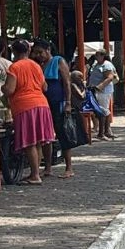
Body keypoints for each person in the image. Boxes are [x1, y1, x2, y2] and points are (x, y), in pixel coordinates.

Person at [2, 40, 54, 185]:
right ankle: (35, 172)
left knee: (30, 141)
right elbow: (45, 87)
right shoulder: (36, 66)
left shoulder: (14, 67)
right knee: (38, 141)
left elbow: (10, 89)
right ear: (29, 51)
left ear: (14, 51)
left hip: (25, 106)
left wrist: (3, 89)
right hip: (42, 104)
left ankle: (35, 175)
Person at [32, 39, 74, 178]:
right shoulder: (39, 65)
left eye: (40, 52)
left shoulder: (58, 61)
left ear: (48, 50)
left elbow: (67, 83)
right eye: (36, 53)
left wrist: (68, 102)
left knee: (62, 133)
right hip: (44, 104)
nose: (39, 55)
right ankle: (48, 167)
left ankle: (69, 167)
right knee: (46, 136)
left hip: (59, 102)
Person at [88, 48, 117, 140]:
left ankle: (102, 132)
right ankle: (107, 131)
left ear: (102, 56)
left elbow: (109, 77)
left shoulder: (107, 65)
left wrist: (99, 87)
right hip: (96, 90)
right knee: (103, 110)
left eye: (97, 55)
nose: (96, 57)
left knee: (102, 110)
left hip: (103, 91)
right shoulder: (97, 65)